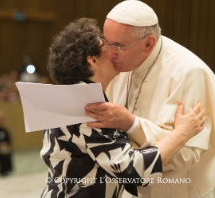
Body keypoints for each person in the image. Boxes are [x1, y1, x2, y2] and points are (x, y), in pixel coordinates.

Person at [41, 18, 206, 198]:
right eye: (106, 44)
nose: (113, 51)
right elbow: (133, 171)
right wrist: (182, 132)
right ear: (93, 60)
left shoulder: (70, 97)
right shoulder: (87, 108)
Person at [84, 0, 215, 198]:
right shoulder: (117, 63)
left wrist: (131, 124)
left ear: (148, 44)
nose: (109, 53)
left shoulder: (188, 73)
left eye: (118, 46)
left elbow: (186, 153)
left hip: (180, 190)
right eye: (107, 42)